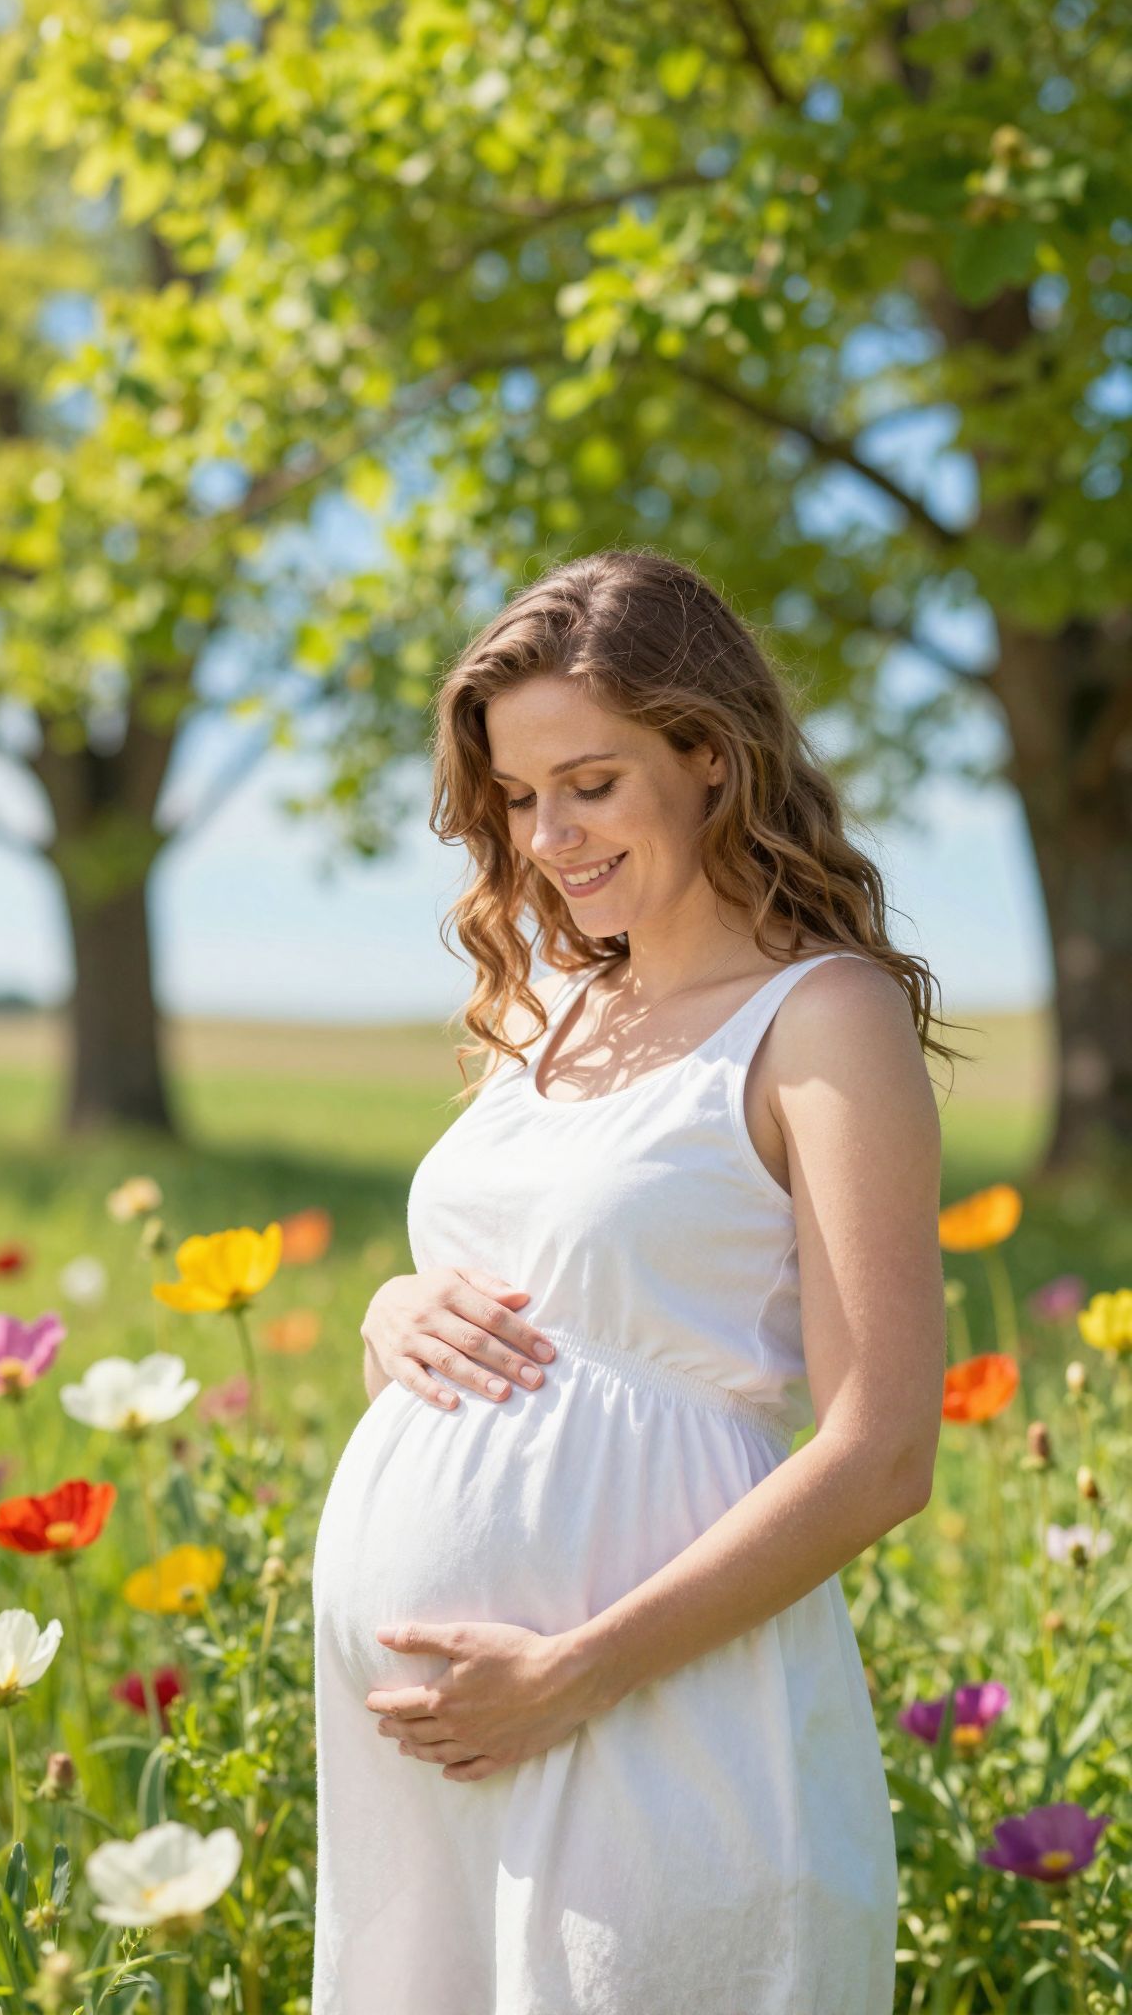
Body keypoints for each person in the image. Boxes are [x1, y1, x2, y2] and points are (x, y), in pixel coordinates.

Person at [311, 548, 949, 2014]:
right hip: (441, 1762)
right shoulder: (542, 1009)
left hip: (662, 1718)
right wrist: (388, 1315)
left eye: (590, 783)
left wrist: (580, 1670)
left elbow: (883, 1451)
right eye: (520, 796)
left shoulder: (822, 1016)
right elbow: (515, 1342)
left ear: (709, 758)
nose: (548, 835)